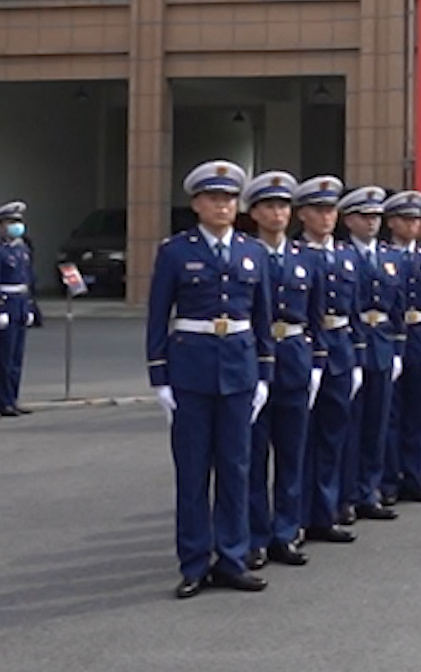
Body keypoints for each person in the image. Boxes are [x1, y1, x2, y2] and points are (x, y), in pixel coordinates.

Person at [148, 161, 275, 599]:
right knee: (193, 472)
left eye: (229, 199)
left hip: (239, 370)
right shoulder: (175, 252)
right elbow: (157, 316)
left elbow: (262, 317)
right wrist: (159, 377)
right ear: (197, 204)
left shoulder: (252, 251)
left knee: (236, 469)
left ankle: (233, 558)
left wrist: (264, 373)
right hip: (191, 370)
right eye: (214, 198)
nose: (222, 206)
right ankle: (194, 563)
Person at [243, 171, 323, 571]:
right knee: (254, 454)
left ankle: (286, 531)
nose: (277, 213)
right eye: (269, 206)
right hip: (255, 358)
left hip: (294, 357)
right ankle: (255, 536)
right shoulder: (245, 254)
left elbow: (316, 316)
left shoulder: (306, 258)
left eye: (283, 206)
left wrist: (318, 364)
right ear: (254, 212)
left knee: (292, 453)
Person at [296, 176, 361, 545]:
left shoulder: (347, 256)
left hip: (341, 348)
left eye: (331, 210)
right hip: (304, 349)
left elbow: (357, 310)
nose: (326, 217)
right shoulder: (295, 253)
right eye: (318, 210)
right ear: (303, 214)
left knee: (334, 434)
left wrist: (357, 356)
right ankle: (298, 515)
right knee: (299, 438)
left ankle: (326, 510)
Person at [338, 185, 401, 522]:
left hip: (382, 345)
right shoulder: (342, 255)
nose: (372, 221)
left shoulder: (390, 257)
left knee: (377, 423)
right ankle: (347, 494)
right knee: (351, 424)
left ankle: (370, 490)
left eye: (376, 216)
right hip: (352, 344)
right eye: (364, 216)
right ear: (349, 220)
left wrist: (398, 348)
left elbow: (398, 308)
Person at [383, 191, 421, 505]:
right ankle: (389, 480)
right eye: (406, 219)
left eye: (417, 220)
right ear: (392, 222)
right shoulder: (384, 257)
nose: (413, 225)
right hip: (392, 335)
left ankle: (415, 476)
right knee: (391, 412)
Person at [0, 201, 38, 418]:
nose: (16, 226)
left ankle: (12, 398)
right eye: (11, 222)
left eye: (18, 222)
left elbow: (28, 279)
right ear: (1, 226)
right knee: (5, 357)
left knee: (16, 358)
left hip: (20, 304)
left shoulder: (22, 249)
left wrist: (29, 306)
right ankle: (1, 401)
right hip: (7, 304)